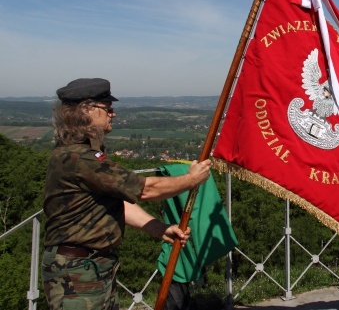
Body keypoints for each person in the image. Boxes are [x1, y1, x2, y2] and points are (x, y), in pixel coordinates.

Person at [41, 78, 213, 310]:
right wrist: (191, 179)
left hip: (91, 266)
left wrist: (158, 228)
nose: (113, 114)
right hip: (77, 271)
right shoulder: (79, 158)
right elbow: (145, 189)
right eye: (108, 109)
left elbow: (118, 201)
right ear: (86, 110)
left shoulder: (80, 155)